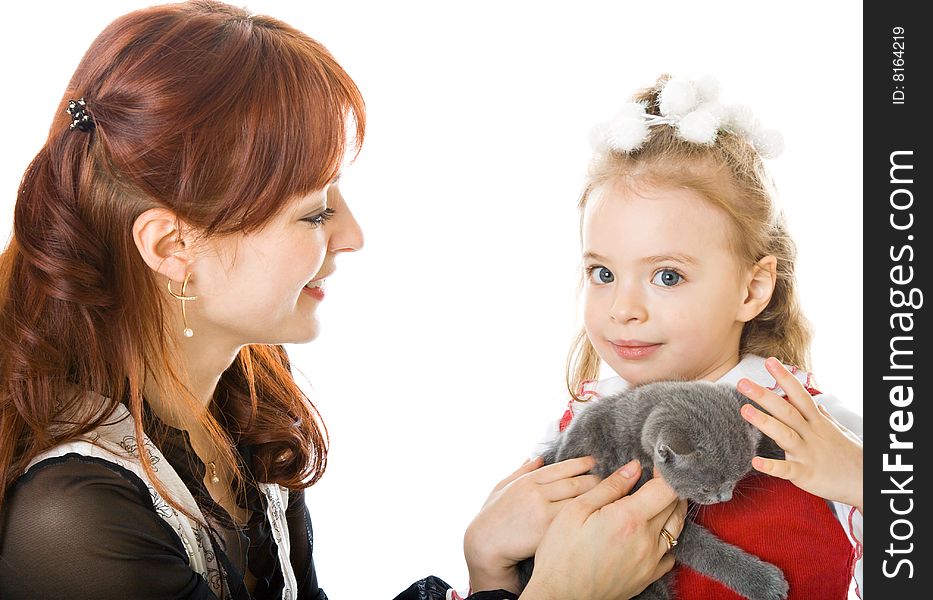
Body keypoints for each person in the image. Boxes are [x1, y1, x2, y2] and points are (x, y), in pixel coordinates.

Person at [0, 3, 687, 599]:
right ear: (171, 247)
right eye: (313, 213)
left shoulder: (244, 395)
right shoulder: (74, 524)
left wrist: (487, 568)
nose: (353, 235)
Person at [464, 75, 864, 599]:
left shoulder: (812, 426)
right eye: (602, 274)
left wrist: (868, 484)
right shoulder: (579, 427)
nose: (623, 309)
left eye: (667, 276)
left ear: (752, 288)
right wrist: (486, 567)